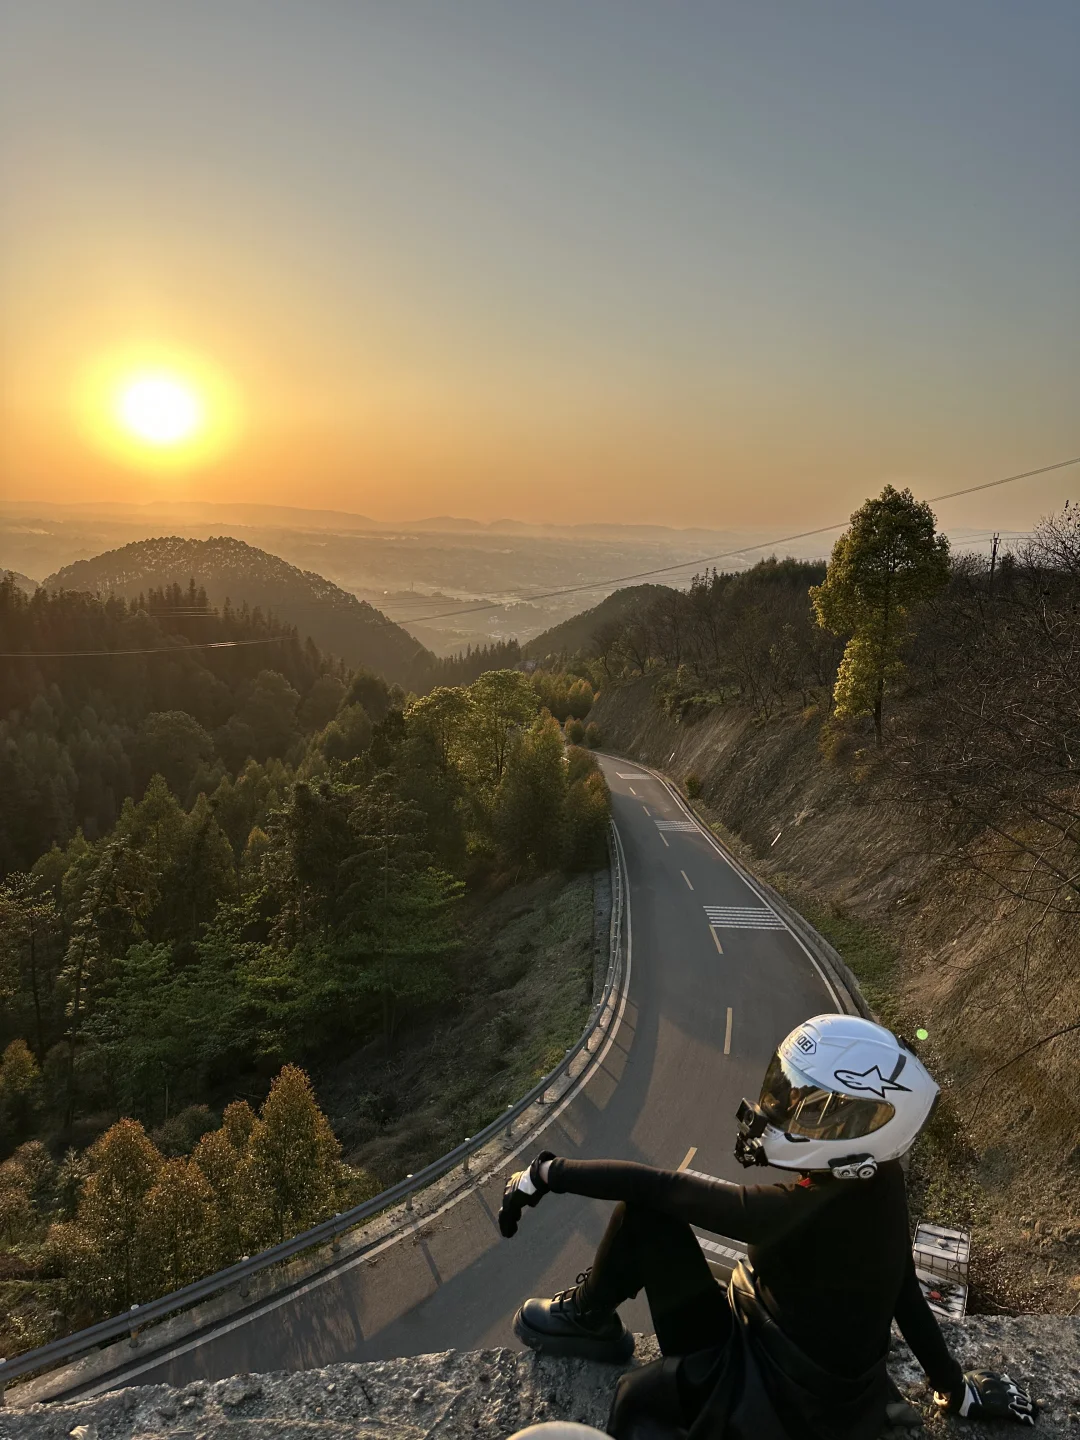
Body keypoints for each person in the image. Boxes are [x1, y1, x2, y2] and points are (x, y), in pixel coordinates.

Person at [499, 1013, 1035, 1440]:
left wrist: (546, 1174)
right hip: (821, 1376)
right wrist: (953, 1387)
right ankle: (590, 1316)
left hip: (769, 1385)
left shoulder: (794, 1211)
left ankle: (589, 1317)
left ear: (855, 1127)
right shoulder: (880, 1182)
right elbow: (903, 1287)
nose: (779, 1110)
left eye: (810, 1107)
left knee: (639, 1376)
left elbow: (657, 1189)